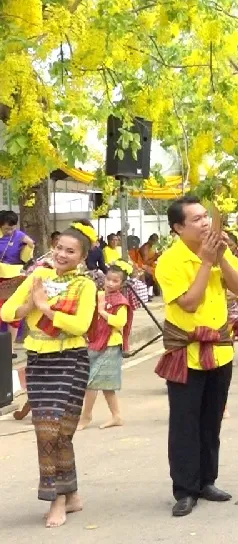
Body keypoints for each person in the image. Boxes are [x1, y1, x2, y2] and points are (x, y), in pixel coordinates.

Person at [152, 196, 238, 517]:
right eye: (196, 219)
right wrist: (206, 262)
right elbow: (189, 304)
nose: (206, 223)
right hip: (185, 352)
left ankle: (207, 481)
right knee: (184, 422)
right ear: (178, 228)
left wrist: (221, 259)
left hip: (218, 349)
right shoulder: (168, 262)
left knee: (211, 420)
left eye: (206, 217)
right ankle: (185, 489)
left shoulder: (221, 249)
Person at [0, 222, 98, 528]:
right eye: (59, 248)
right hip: (39, 362)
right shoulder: (37, 277)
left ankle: (61, 497)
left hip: (71, 360)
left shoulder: (85, 285)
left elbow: (81, 326)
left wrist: (47, 309)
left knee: (56, 431)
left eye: (71, 251)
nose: (62, 254)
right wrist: (32, 301)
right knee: (50, 431)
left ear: (82, 256)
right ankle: (67, 494)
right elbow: (7, 313)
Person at [78, 261, 135, 430]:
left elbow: (120, 322)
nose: (110, 283)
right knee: (106, 385)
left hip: (110, 344)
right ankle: (116, 416)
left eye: (115, 281)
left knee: (92, 382)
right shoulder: (99, 295)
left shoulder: (120, 301)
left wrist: (103, 313)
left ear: (122, 284)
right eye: (108, 279)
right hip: (95, 341)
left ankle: (86, 417)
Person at [0, 210, 35, 344]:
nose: (10, 231)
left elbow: (26, 256)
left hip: (14, 278)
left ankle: (10, 347)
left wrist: (30, 245)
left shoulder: (19, 235)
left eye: (12, 227)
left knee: (13, 310)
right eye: (6, 228)